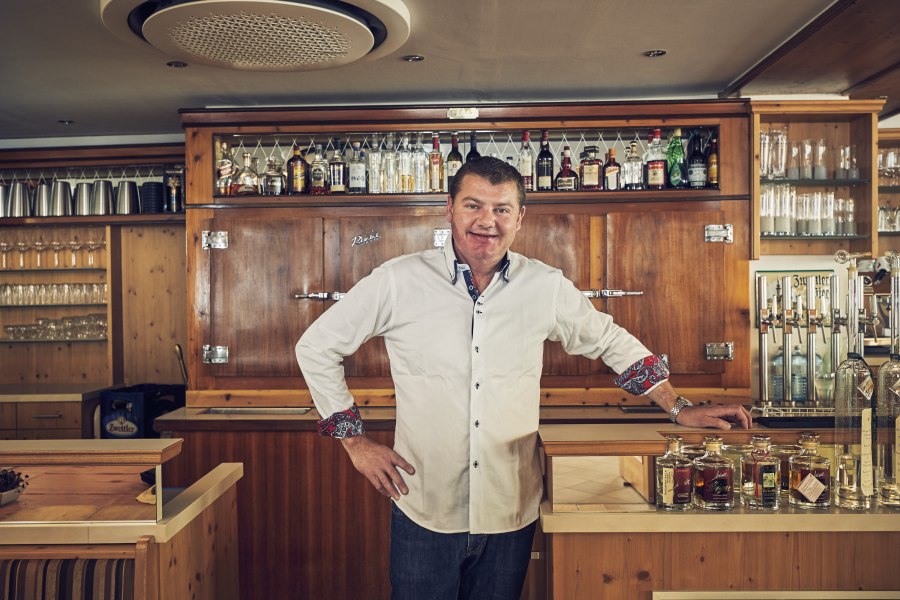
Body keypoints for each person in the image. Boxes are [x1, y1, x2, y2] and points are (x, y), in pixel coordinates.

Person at [296, 156, 751, 600]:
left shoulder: (544, 286)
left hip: (510, 510)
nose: (486, 221)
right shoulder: (398, 280)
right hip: (425, 508)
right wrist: (355, 444)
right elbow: (316, 347)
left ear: (520, 218)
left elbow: (609, 340)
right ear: (449, 209)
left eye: (501, 209)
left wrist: (679, 407)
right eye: (473, 205)